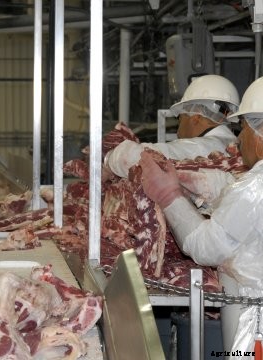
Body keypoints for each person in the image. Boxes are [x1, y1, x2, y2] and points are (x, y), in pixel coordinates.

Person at [140, 76, 263, 359]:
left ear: (258, 136)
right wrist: (204, 186)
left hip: (255, 321)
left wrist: (169, 196)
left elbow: (205, 246)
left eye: (243, 128)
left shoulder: (254, 186)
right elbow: (247, 210)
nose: (239, 136)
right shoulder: (251, 186)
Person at [104, 74, 240, 178]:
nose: (178, 124)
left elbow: (132, 157)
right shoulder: (233, 144)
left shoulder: (204, 147)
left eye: (180, 117)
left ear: (195, 118)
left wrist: (108, 160)